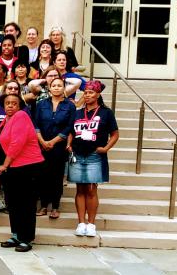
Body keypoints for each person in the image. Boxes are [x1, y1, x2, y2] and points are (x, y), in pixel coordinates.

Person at [68, 80, 119, 238]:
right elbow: (70, 131)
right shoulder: (77, 113)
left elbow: (115, 134)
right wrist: (69, 144)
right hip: (77, 153)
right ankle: (81, 222)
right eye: (86, 92)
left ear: (98, 94)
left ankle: (91, 224)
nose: (87, 95)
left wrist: (106, 148)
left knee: (91, 189)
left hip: (95, 154)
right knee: (80, 189)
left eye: (91, 92)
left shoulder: (106, 113)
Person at [0, 93, 44, 252]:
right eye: (7, 103)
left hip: (27, 166)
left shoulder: (21, 116)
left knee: (26, 203)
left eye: (14, 103)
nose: (10, 106)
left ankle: (26, 238)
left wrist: (5, 164)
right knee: (13, 202)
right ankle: (16, 234)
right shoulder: (5, 121)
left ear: (19, 105)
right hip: (13, 167)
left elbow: (17, 143)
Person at [33, 77, 76, 219]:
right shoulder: (41, 104)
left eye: (60, 85)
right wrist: (43, 142)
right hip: (42, 145)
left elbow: (69, 126)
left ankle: (55, 206)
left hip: (58, 147)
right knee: (42, 176)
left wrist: (53, 141)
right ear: (49, 88)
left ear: (64, 88)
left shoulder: (69, 106)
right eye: (54, 85)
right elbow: (36, 124)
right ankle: (44, 205)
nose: (57, 87)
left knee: (57, 177)